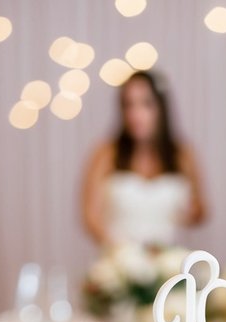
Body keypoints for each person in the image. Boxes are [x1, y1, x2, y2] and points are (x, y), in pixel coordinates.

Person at [81, 70, 206, 248]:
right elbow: (90, 216)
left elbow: (200, 210)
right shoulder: (106, 153)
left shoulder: (182, 154)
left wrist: (191, 211)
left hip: (169, 260)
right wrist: (122, 251)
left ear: (160, 107)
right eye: (128, 105)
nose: (135, 113)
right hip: (120, 261)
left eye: (145, 104)